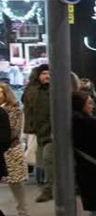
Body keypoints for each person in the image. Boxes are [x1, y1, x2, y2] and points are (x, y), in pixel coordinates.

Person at [0, 83, 29, 216]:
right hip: (4, 149)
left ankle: (23, 213)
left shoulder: (14, 110)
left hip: (11, 149)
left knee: (16, 183)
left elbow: (13, 131)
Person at [22, 64, 53, 202]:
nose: (46, 76)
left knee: (47, 159)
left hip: (53, 132)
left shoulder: (54, 90)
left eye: (48, 73)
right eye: (43, 73)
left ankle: (49, 189)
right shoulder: (31, 90)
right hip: (40, 132)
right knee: (42, 162)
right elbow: (29, 110)